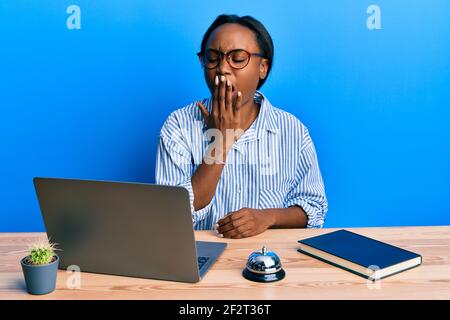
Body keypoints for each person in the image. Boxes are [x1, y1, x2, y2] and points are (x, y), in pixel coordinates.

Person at [156, 14, 328, 239]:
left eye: (237, 58)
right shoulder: (178, 126)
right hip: (200, 258)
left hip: (270, 260)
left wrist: (268, 217)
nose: (222, 69)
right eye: (212, 58)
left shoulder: (292, 131)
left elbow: (313, 209)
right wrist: (222, 141)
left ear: (263, 67)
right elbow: (171, 216)